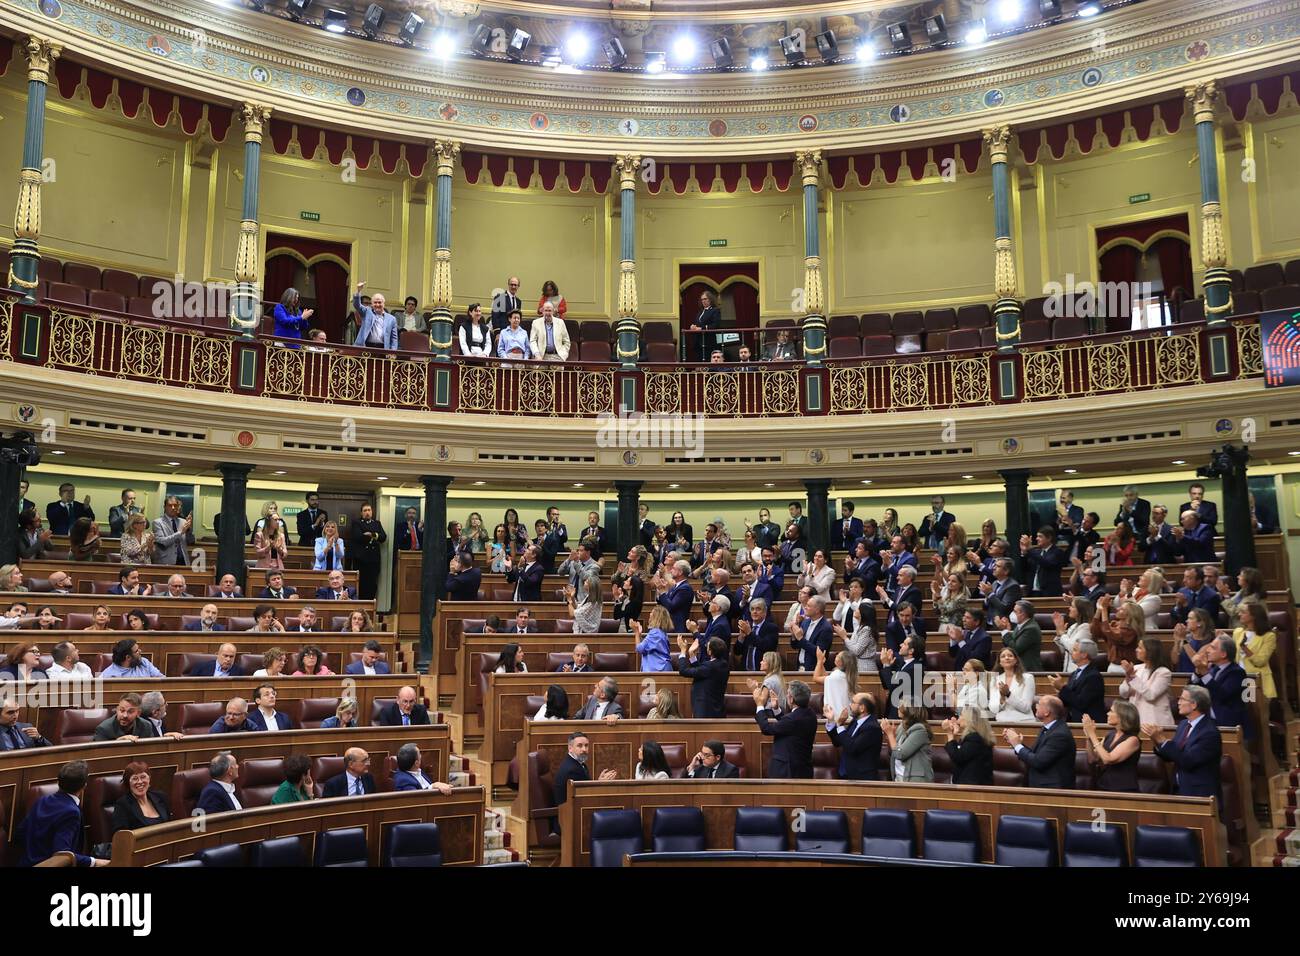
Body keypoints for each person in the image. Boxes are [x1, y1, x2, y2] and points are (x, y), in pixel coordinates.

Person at [17, 760, 108, 867]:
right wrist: (94, 861)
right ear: (84, 786)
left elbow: (20, 833)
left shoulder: (42, 800)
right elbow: (62, 855)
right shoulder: (71, 812)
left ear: (59, 782)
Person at [1146, 685, 1222, 800]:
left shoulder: (1209, 732)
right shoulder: (1183, 725)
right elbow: (1173, 755)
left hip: (1199, 794)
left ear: (1194, 704)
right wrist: (1156, 741)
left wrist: (1162, 740)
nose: (1178, 702)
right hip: (1178, 789)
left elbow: (1188, 760)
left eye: (1182, 699)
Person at [1005, 695, 1076, 788]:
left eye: (1039, 704)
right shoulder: (1048, 728)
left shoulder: (1059, 735)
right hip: (1040, 786)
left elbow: (1038, 762)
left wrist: (1017, 745)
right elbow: (1036, 755)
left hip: (1053, 792)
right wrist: (1016, 744)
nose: (1036, 706)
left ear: (1047, 712)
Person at [754, 679, 817, 779]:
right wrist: (776, 709)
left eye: (788, 694)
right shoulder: (811, 714)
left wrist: (760, 705)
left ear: (791, 699)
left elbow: (766, 729)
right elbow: (790, 727)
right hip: (803, 769)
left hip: (787, 771)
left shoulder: (792, 719)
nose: (787, 696)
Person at [552, 732, 616, 825]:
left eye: (586, 746)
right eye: (580, 746)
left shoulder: (577, 764)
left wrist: (598, 782)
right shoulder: (572, 769)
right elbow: (585, 798)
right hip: (569, 820)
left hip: (574, 812)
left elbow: (584, 791)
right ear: (570, 748)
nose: (584, 749)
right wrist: (600, 784)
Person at [1083, 701, 1142, 792]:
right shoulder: (1110, 735)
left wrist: (1092, 734)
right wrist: (1089, 738)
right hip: (1103, 784)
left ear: (1122, 716)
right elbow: (1093, 759)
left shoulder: (1133, 740)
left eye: (1111, 711)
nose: (1107, 713)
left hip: (1123, 789)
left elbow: (1108, 759)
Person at [824, 692, 882, 781]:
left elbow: (852, 747)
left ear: (862, 708)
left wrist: (840, 726)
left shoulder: (872, 727)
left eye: (853, 702)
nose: (850, 705)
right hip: (847, 776)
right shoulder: (855, 722)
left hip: (862, 780)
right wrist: (831, 721)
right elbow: (838, 742)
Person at [1118, 637, 1174, 728]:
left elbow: (1151, 695)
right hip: (1135, 720)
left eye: (1140, 648)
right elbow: (1123, 693)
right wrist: (1128, 678)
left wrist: (1133, 677)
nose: (1136, 650)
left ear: (1150, 651)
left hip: (1155, 722)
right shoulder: (1136, 668)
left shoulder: (1163, 672)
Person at [674, 635, 730, 718]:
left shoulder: (709, 667)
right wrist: (691, 654)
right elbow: (702, 672)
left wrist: (682, 651)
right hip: (716, 711)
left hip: (704, 712)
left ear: (710, 652)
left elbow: (683, 671)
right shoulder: (723, 665)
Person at [109, 761, 171, 835]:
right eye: (135, 778)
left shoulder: (161, 797)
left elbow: (171, 826)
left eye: (143, 777)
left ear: (149, 778)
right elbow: (121, 837)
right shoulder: (123, 805)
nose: (140, 782)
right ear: (128, 783)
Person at [1233, 600, 1277, 701]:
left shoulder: (1269, 636)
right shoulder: (1238, 632)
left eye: (1243, 612)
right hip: (1238, 677)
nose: (1239, 614)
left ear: (1254, 616)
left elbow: (1260, 661)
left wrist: (1244, 647)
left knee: (1252, 709)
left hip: (1255, 679)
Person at [942, 707, 995, 785]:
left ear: (969, 719)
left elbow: (958, 757)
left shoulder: (975, 738)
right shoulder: (975, 737)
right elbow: (962, 754)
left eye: (961, 715)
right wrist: (954, 735)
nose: (958, 718)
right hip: (971, 785)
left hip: (973, 788)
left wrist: (949, 734)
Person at [882, 704, 933, 782]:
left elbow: (900, 754)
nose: (898, 708)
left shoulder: (920, 730)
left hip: (915, 780)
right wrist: (889, 737)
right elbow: (893, 752)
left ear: (910, 709)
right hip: (899, 776)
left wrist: (890, 734)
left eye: (900, 706)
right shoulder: (902, 726)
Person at [989, 647, 1036, 723]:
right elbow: (993, 709)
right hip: (1001, 722)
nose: (1007, 658)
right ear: (1000, 662)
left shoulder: (1027, 678)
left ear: (1016, 660)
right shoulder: (995, 680)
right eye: (1003, 656)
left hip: (1023, 722)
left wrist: (1008, 694)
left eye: (1010, 656)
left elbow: (1026, 707)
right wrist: (1002, 698)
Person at [1051, 597, 1095, 674]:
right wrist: (1059, 632)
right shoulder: (1073, 626)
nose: (1069, 608)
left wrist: (1062, 633)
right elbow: (1063, 648)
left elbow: (1072, 647)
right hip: (1068, 668)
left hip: (1078, 669)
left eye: (1072, 606)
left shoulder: (1086, 627)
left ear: (1080, 610)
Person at [997, 599, 1043, 671]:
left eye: (1015, 611)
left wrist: (1004, 631)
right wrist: (1007, 631)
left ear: (1023, 614)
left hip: (1028, 669)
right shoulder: (1020, 625)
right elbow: (1009, 646)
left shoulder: (1031, 628)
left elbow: (1015, 649)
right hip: (1018, 668)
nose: (1012, 613)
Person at [812, 647, 857, 720]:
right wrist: (822, 664)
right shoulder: (845, 675)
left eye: (838, 656)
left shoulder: (836, 676)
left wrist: (819, 661)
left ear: (841, 662)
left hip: (836, 717)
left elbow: (816, 678)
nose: (836, 656)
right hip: (845, 715)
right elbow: (827, 679)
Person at [93, 694, 158, 742]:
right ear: (117, 709)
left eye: (130, 712)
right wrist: (118, 742)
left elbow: (150, 750)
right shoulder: (103, 729)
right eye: (122, 710)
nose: (125, 715)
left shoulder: (146, 726)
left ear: (138, 713)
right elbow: (98, 755)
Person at [352, 281, 397, 349]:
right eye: (375, 302)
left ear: (384, 304)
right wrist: (358, 290)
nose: (377, 305)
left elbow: (394, 338)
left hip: (383, 349)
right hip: (366, 346)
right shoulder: (367, 312)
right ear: (372, 304)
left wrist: (393, 352)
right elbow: (357, 305)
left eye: (379, 302)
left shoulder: (391, 319)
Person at [151, 495, 194, 565]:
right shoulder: (157, 522)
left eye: (175, 505)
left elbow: (191, 541)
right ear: (164, 507)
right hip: (166, 562)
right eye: (170, 505)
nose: (173, 508)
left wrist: (188, 528)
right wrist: (180, 532)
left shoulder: (183, 522)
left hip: (183, 561)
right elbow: (163, 542)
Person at [631, 607, 672, 672]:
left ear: (657, 617)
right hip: (660, 667)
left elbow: (639, 648)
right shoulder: (659, 632)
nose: (650, 614)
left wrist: (636, 631)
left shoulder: (655, 632)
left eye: (652, 612)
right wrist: (639, 634)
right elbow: (646, 647)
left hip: (659, 668)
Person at [687, 289, 722, 361]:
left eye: (705, 299)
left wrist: (701, 328)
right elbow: (697, 324)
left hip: (708, 341)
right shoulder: (701, 311)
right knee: (699, 362)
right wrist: (693, 326)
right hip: (698, 341)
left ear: (710, 299)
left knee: (707, 362)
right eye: (702, 299)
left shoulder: (715, 310)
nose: (703, 301)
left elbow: (715, 325)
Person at [567, 569, 603, 635]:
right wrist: (572, 597)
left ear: (590, 586)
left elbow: (573, 614)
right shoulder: (589, 597)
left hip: (586, 634)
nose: (584, 582)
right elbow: (577, 608)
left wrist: (569, 599)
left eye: (586, 582)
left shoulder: (593, 603)